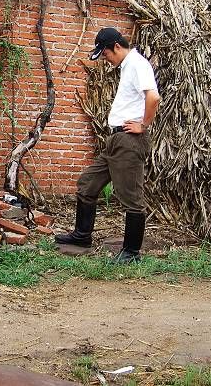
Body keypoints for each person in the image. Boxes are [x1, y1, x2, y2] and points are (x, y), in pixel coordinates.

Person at [56, 27, 160, 263]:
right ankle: (82, 236)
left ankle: (131, 253)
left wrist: (143, 125)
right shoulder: (127, 66)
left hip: (129, 141)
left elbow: (153, 97)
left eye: (105, 54)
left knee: (131, 196)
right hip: (116, 140)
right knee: (88, 183)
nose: (105, 59)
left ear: (116, 46)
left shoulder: (137, 64)